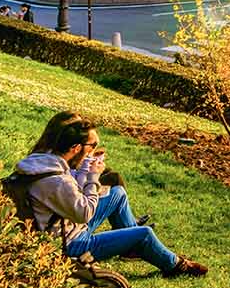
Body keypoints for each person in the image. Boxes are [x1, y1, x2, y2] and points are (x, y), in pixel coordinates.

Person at [13, 115, 206, 279]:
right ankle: (175, 265)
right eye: (91, 145)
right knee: (144, 233)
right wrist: (93, 176)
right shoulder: (56, 181)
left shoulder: (43, 160)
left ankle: (133, 247)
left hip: (65, 225)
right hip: (70, 244)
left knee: (117, 194)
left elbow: (71, 193)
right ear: (75, 147)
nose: (93, 149)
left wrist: (87, 168)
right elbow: (84, 213)